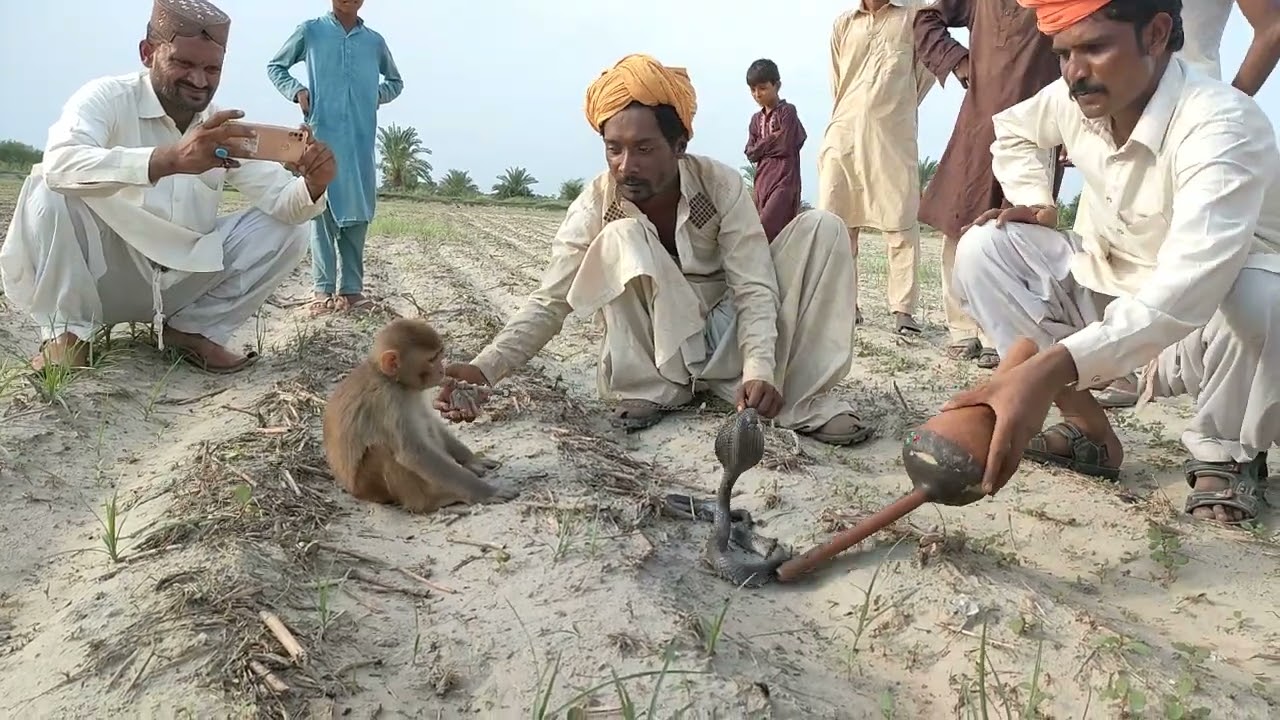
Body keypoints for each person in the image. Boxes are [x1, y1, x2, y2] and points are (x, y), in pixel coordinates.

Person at [944, 0, 1280, 526]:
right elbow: (1013, 130)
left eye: (1095, 48)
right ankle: (1088, 430)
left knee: (1262, 294)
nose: (1075, 73)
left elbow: (1187, 289)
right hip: (1111, 294)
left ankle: (1226, 452)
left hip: (1209, 326)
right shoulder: (1077, 99)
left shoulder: (1221, 123)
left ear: (1157, 34)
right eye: (1063, 54)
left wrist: (1045, 371)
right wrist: (1035, 200)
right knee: (986, 247)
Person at [431, 54, 872, 446]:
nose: (626, 165)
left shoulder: (719, 185)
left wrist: (759, 369)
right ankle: (653, 389)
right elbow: (550, 300)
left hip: (726, 335)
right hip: (661, 353)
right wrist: (483, 370)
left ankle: (794, 397)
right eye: (614, 150)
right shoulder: (596, 203)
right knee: (620, 236)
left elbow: (754, 285)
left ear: (679, 147)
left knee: (824, 227)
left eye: (643, 149)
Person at [0, 0, 336, 375]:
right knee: (50, 187)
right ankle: (67, 336)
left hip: (180, 282)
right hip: (102, 278)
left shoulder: (220, 128)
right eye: (184, 63)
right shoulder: (107, 97)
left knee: (291, 228)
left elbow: (286, 204)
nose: (199, 80)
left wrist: (314, 181)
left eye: (211, 69)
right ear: (148, 53)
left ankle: (193, 331)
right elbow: (60, 163)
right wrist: (169, 159)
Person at [1077, 0, 1280, 408]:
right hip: (1120, 107)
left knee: (1203, 267)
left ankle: (1214, 414)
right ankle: (1114, 368)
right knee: (1112, 248)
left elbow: (1273, 26)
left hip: (1189, 114)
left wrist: (1230, 103)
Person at [913, 0, 1064, 367]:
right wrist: (957, 59)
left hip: (1038, 129)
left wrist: (1075, 123)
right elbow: (925, 20)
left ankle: (1001, 335)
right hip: (980, 122)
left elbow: (1082, 47)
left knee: (1022, 230)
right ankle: (962, 329)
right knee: (961, 220)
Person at [267, 0, 404, 316]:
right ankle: (323, 290)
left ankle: (352, 290)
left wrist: (374, 96)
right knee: (321, 209)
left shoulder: (374, 42)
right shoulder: (310, 31)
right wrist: (297, 91)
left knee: (359, 210)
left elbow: (395, 82)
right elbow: (276, 66)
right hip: (322, 134)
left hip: (360, 139)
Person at [818, 0, 935, 335]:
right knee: (839, 223)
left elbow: (923, 76)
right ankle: (846, 304)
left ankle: (903, 310)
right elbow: (838, 82)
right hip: (844, 134)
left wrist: (893, 109)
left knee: (900, 222)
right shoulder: (844, 24)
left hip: (892, 136)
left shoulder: (914, 16)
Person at [743, 59, 807, 243]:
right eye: (753, 90)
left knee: (766, 230)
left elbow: (785, 143)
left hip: (784, 179)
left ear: (777, 86)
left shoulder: (788, 112)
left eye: (762, 88)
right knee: (760, 230)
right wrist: (772, 139)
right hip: (762, 181)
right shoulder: (756, 119)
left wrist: (761, 146)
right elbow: (750, 153)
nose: (757, 94)